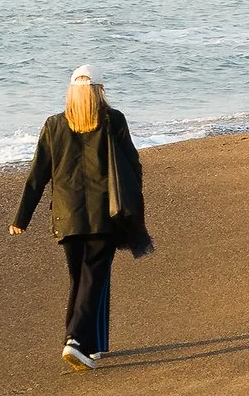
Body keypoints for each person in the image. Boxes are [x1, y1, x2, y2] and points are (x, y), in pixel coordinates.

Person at [11, 68, 151, 366]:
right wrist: (134, 203)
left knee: (81, 278)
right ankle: (74, 339)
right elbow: (133, 165)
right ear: (100, 91)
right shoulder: (113, 120)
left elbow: (37, 176)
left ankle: (90, 345)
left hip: (66, 217)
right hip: (105, 215)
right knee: (93, 278)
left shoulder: (54, 125)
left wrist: (21, 218)